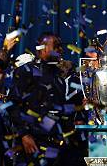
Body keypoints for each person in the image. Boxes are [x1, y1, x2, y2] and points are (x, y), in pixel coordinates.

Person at [7, 32, 79, 165]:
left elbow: (57, 109)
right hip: (31, 144)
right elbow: (12, 104)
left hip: (54, 144)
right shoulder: (26, 71)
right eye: (56, 46)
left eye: (60, 46)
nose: (60, 50)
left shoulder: (59, 78)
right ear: (42, 49)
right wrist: (24, 134)